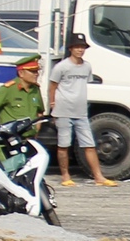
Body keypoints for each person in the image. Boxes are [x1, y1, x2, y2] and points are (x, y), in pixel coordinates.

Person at [45, 36, 109, 189]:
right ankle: (65, 176)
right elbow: (52, 86)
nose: (80, 50)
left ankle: (98, 176)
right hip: (63, 110)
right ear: (70, 49)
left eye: (83, 47)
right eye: (77, 47)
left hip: (81, 111)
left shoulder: (87, 66)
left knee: (89, 144)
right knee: (64, 144)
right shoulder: (61, 66)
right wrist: (53, 105)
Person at [0, 55, 44, 135]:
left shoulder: (35, 89)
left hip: (28, 139)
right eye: (33, 71)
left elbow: (39, 111)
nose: (37, 74)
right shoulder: (9, 89)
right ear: (21, 73)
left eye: (37, 71)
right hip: (11, 140)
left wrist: (36, 130)